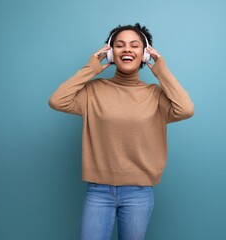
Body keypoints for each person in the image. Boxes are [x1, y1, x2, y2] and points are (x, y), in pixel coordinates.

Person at [48, 23, 194, 240]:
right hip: (98, 191)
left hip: (139, 192)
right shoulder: (93, 91)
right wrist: (91, 68)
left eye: (135, 46)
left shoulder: (156, 96)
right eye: (119, 45)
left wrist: (161, 70)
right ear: (110, 52)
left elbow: (186, 109)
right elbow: (57, 101)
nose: (127, 49)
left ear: (145, 54)